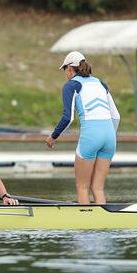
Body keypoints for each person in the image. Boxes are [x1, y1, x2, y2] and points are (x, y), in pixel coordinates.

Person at [45, 51, 120, 204]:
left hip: (91, 137)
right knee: (98, 188)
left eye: (64, 70)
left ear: (70, 69)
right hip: (110, 137)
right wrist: (108, 135)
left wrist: (53, 137)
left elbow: (68, 117)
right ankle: (104, 224)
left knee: (82, 187)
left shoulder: (71, 85)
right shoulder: (101, 83)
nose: (65, 74)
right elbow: (116, 116)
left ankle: (85, 225)